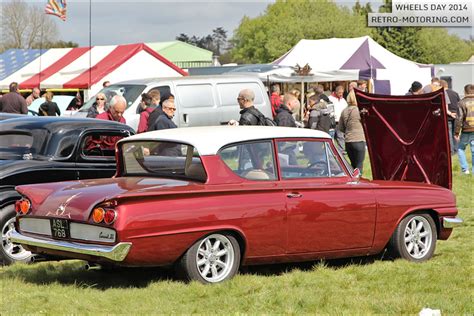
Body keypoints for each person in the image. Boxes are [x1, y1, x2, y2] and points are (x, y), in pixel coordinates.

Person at [338, 90, 366, 173]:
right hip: (359, 139)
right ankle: (358, 184)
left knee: (352, 166)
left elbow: (341, 128)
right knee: (359, 166)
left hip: (348, 141)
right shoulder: (360, 110)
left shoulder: (344, 111)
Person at [454, 84, 474, 175]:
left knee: (460, 149)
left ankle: (465, 169)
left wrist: (457, 132)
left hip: (466, 130)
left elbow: (459, 118)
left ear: (465, 92)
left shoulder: (461, 103)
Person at [440, 80, 461, 155]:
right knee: (455, 134)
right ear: (447, 85)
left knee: (449, 134)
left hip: (447, 115)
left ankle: (451, 151)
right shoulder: (455, 93)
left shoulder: (442, 94)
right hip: (456, 115)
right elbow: (459, 104)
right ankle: (457, 149)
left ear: (441, 86)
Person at [328, 85, 348, 151]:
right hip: (332, 121)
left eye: (342, 93)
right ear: (336, 92)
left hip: (340, 121)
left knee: (341, 136)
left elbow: (345, 109)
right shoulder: (330, 98)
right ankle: (331, 150)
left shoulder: (343, 100)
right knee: (331, 137)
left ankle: (342, 150)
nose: (341, 94)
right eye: (339, 93)